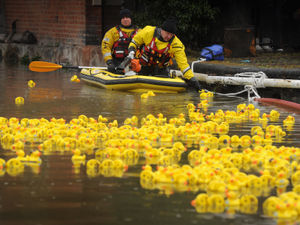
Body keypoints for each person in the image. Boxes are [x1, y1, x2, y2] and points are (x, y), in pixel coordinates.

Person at [123, 17, 201, 92]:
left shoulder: (176, 44)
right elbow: (135, 42)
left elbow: (183, 65)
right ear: (162, 30)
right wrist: (132, 50)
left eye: (171, 34)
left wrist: (192, 79)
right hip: (143, 67)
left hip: (161, 70)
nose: (169, 36)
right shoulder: (148, 31)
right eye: (167, 33)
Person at [101, 8, 139, 73]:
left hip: (134, 64)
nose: (125, 19)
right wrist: (109, 62)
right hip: (117, 64)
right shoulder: (112, 32)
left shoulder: (139, 32)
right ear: (120, 19)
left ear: (131, 19)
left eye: (127, 17)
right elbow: (105, 46)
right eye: (123, 18)